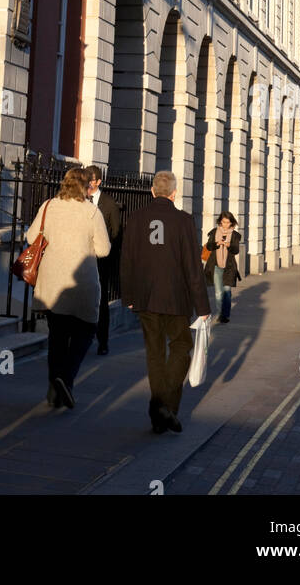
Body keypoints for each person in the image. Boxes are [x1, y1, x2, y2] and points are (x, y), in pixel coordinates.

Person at [120, 170, 211, 435]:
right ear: (174, 193)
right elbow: (193, 267)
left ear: (151, 191)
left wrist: (128, 296)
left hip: (146, 297)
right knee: (182, 346)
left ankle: (159, 409)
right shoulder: (183, 220)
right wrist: (203, 307)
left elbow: (127, 261)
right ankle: (167, 405)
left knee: (155, 351)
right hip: (175, 297)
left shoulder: (136, 218)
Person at [25, 166, 110, 409]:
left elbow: (32, 238)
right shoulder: (92, 212)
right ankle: (67, 377)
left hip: (52, 283)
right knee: (85, 331)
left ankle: (54, 389)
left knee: (58, 335)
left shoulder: (49, 206)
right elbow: (104, 250)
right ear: (85, 186)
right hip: (82, 283)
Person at [86, 165, 122, 354]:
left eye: (90, 180)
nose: (87, 184)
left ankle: (102, 341)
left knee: (100, 301)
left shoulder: (108, 203)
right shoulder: (80, 200)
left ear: (98, 182)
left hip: (101, 261)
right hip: (82, 260)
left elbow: (116, 232)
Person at [203, 211, 240, 321]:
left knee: (227, 291)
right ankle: (220, 314)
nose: (225, 225)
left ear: (232, 223)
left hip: (229, 267)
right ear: (220, 222)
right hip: (216, 266)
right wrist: (216, 243)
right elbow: (209, 247)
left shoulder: (235, 235)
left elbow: (236, 250)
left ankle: (225, 315)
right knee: (218, 292)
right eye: (224, 222)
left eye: (228, 222)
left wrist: (229, 245)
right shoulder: (214, 232)